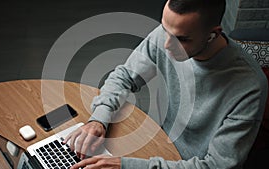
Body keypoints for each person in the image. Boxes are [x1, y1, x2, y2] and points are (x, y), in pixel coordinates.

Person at [63, 0, 268, 168]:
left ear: (212, 34)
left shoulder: (249, 86)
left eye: (181, 39)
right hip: (162, 149)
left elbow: (216, 166)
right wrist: (99, 119)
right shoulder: (170, 34)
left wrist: (125, 166)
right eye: (164, 29)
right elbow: (124, 76)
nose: (167, 45)